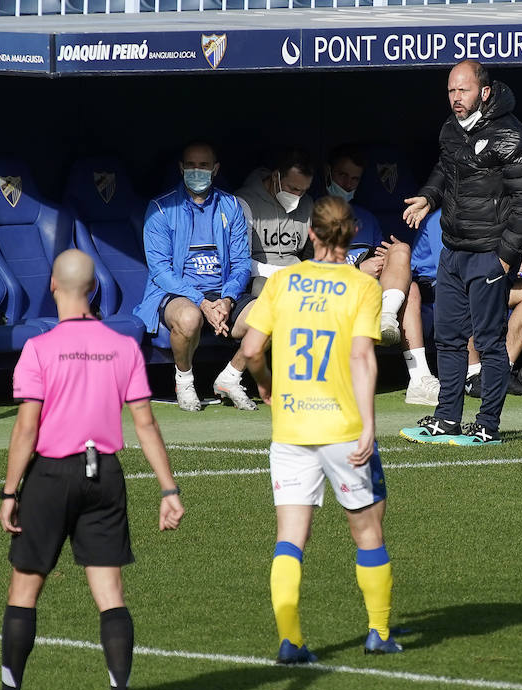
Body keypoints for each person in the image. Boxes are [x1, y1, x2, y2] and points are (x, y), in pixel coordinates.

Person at [0, 249, 185, 690]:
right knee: (110, 592)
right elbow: (145, 424)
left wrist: (9, 493)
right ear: (95, 289)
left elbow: (26, 429)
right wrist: (169, 490)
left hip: (50, 476)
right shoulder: (124, 346)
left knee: (25, 588)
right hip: (105, 474)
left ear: (51, 286)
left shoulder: (40, 349)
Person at [240, 196, 402, 663]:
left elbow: (251, 349)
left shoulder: (283, 282)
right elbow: (360, 356)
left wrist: (267, 385)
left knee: (290, 536)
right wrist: (370, 423)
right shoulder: (361, 285)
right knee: (368, 530)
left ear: (310, 233)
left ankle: (290, 640)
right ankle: (378, 631)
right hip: (342, 426)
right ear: (351, 235)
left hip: (290, 427)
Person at [399, 60, 522, 445]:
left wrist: (505, 256)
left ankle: (487, 425)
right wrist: (428, 198)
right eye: (450, 91)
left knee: (489, 341)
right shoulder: (451, 129)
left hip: (489, 254)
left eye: (462, 90)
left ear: (485, 91)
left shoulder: (513, 137)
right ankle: (447, 419)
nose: (455, 98)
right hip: (453, 249)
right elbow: (446, 170)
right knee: (447, 337)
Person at [133, 141, 258, 412]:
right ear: (181, 168)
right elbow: (160, 271)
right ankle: (185, 381)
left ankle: (231, 378)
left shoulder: (231, 205)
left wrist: (227, 299)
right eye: (190, 165)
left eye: (203, 166)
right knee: (190, 318)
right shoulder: (161, 208)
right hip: (179, 293)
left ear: (215, 169)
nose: (197, 171)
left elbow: (240, 264)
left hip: (221, 292)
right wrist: (201, 302)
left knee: (271, 314)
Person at [325, 144, 440, 406]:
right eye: (342, 176)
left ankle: (419, 379)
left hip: (368, 293)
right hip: (331, 292)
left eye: (354, 179)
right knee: (404, 285)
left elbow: (377, 260)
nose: (347, 184)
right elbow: (305, 267)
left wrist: (387, 260)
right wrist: (354, 270)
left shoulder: (365, 217)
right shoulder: (312, 213)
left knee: (402, 256)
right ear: (328, 173)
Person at [410, 207, 522, 397]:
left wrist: (513, 264)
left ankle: (499, 371)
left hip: (486, 279)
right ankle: (472, 373)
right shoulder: (442, 217)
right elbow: (450, 268)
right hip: (438, 285)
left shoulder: (493, 214)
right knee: (467, 287)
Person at [236, 148, 317, 296]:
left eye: (303, 190)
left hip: (298, 277)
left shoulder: (307, 204)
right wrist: (282, 273)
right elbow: (241, 261)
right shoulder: (245, 202)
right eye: (293, 188)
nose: (297, 196)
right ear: (275, 176)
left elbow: (312, 253)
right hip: (259, 275)